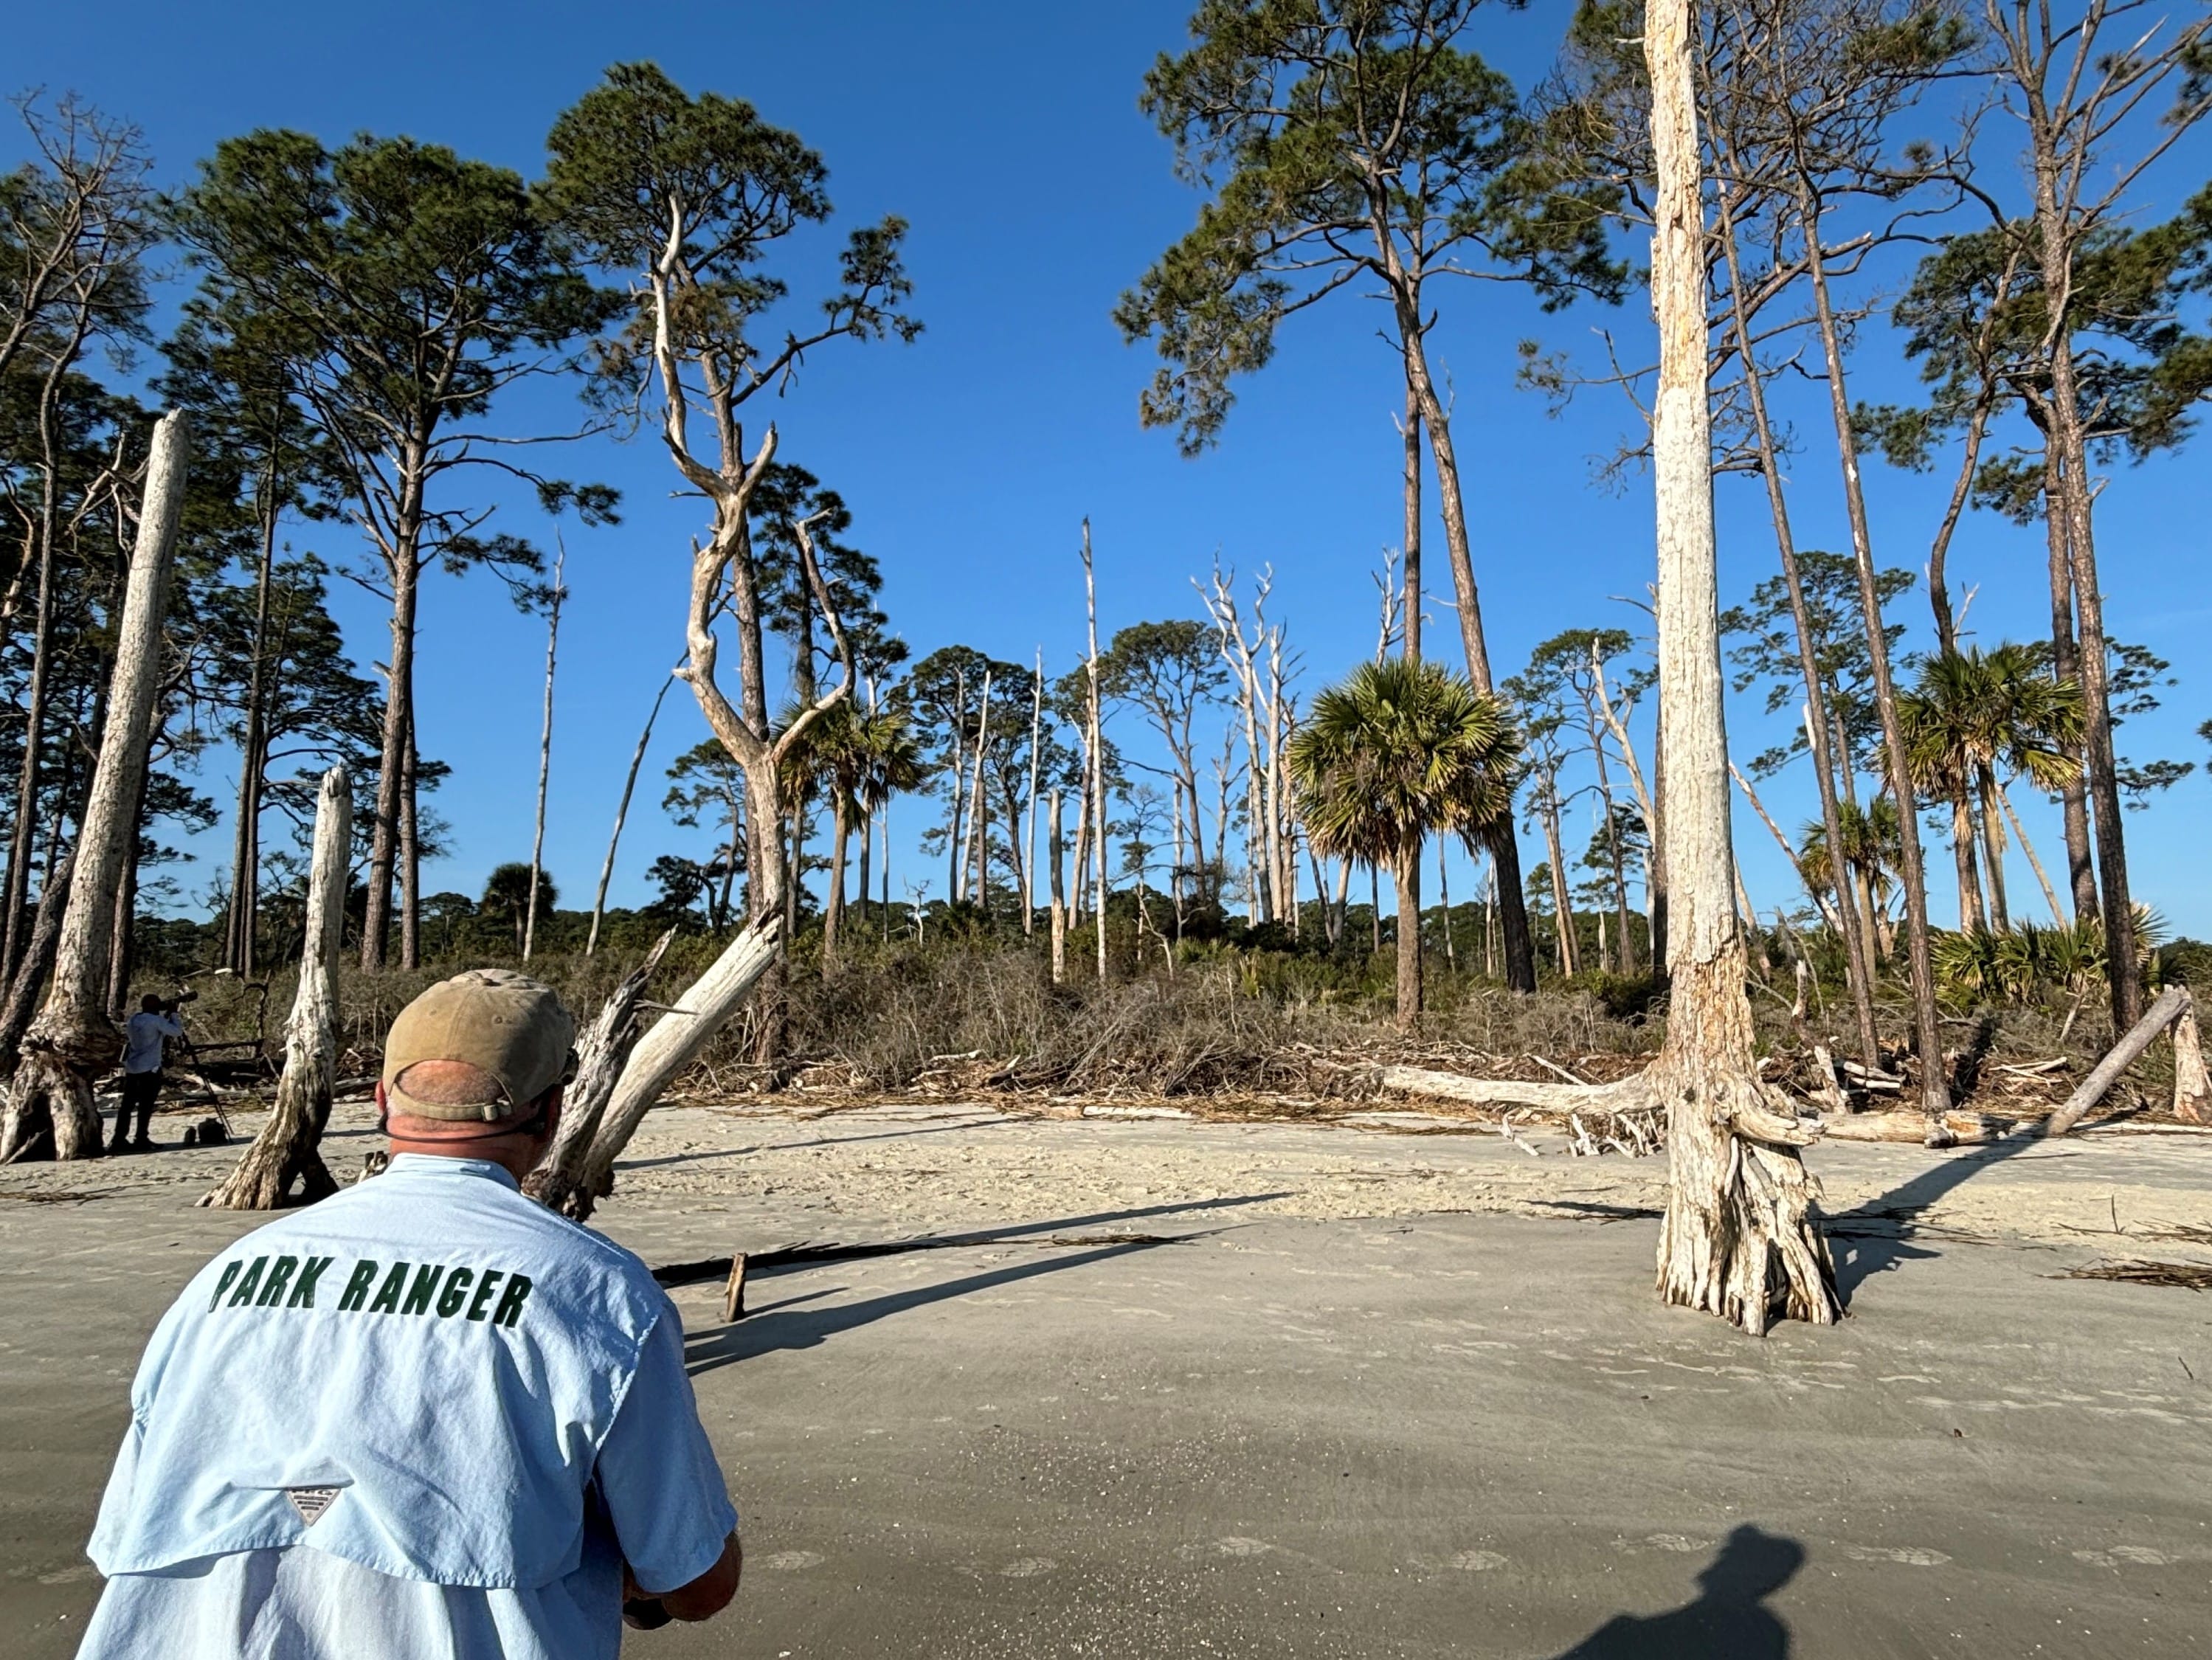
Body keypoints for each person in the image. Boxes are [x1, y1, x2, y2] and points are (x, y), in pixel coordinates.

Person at [75, 968, 743, 1659]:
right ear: (550, 1114)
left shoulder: (224, 1278)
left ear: (379, 1102)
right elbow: (696, 1582)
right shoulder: (598, 1292)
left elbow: (127, 1533)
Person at [114, 993, 185, 1153]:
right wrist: (173, 1013)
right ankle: (141, 1138)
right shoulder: (156, 1021)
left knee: (127, 1106)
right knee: (145, 1106)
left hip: (132, 1067)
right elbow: (177, 1032)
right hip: (150, 1068)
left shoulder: (134, 1020)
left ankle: (118, 1138)